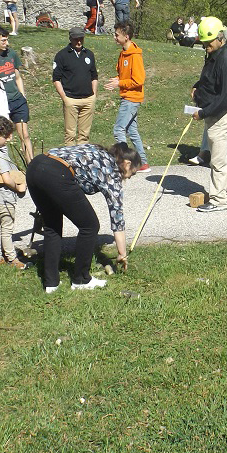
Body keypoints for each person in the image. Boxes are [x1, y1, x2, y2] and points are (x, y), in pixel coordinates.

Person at [26, 142, 141, 292]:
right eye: (133, 173)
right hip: (56, 173)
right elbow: (117, 217)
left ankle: (51, 283)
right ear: (127, 164)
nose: (131, 177)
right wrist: (122, 253)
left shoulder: (98, 150)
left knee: (52, 226)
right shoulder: (112, 173)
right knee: (90, 226)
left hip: (35, 167)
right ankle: (81, 279)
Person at [191, 17, 227, 212]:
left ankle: (218, 200)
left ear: (220, 38)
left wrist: (203, 112)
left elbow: (226, 98)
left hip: (223, 115)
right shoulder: (214, 54)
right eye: (203, 42)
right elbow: (210, 80)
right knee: (218, 157)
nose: (205, 46)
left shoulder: (226, 60)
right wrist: (198, 87)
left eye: (208, 42)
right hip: (215, 115)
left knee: (218, 161)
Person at [104, 20, 151, 172]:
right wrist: (117, 80)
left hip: (131, 99)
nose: (115, 37)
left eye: (117, 35)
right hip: (127, 97)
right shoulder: (123, 54)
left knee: (118, 129)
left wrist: (120, 83)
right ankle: (143, 163)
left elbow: (138, 80)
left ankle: (124, 163)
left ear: (127, 36)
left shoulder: (135, 55)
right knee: (132, 131)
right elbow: (124, 75)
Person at [0, 115, 26, 269]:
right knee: (7, 228)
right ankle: (12, 258)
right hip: (6, 198)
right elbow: (7, 179)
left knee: (0, 226)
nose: (8, 139)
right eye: (5, 136)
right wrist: (19, 187)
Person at [0, 26, 33, 158]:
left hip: (17, 100)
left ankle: (30, 164)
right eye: (3, 40)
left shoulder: (11, 54)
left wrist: (22, 95)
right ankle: (1, 166)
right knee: (1, 137)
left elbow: (18, 77)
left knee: (24, 134)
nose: (6, 43)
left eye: (7, 40)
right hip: (1, 102)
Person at [53, 27, 99, 145]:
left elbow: (94, 76)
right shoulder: (62, 55)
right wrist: (65, 98)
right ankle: (70, 162)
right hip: (71, 100)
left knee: (84, 135)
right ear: (70, 39)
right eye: (76, 39)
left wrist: (93, 95)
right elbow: (56, 79)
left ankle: (82, 160)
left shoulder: (89, 54)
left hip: (88, 100)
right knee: (70, 135)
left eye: (81, 39)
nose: (79, 42)